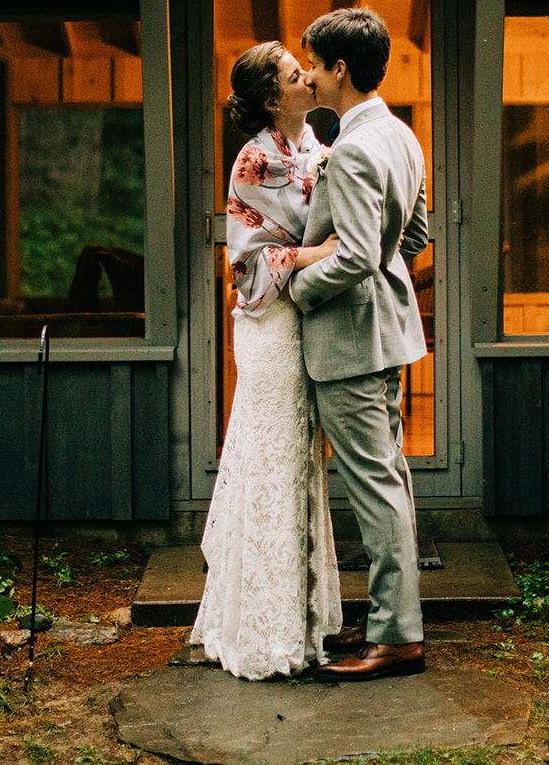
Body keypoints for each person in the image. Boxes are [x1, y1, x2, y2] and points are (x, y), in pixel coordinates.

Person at [187, 41, 344, 680]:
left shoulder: (315, 142)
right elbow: (248, 264)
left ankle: (302, 619)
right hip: (271, 327)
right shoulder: (254, 160)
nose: (307, 75)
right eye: (291, 73)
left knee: (301, 463)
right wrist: (321, 252)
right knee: (273, 464)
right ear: (274, 98)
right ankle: (266, 627)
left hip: (305, 322)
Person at [289, 7, 430, 681]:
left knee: (375, 490)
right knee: (390, 481)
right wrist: (376, 268)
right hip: (389, 335)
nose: (309, 77)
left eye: (314, 64)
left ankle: (397, 637)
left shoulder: (348, 150)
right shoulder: (401, 136)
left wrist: (296, 285)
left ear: (339, 68)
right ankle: (387, 624)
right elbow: (415, 235)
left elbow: (353, 259)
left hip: (349, 343)